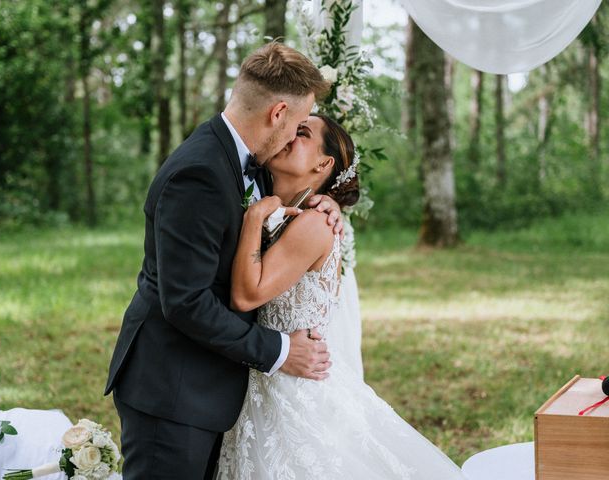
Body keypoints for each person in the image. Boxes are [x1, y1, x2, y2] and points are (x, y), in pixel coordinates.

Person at [104, 42, 341, 479]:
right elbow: (186, 302)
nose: (293, 138)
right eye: (296, 126)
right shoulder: (201, 173)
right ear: (277, 114)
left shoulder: (245, 160)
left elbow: (299, 191)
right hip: (173, 390)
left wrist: (327, 202)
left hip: (208, 388)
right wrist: (281, 351)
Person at [218, 114, 467, 480]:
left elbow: (246, 295)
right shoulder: (289, 209)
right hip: (265, 382)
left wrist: (254, 219)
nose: (288, 135)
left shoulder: (314, 223)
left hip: (294, 391)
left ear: (323, 163)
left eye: (301, 133)